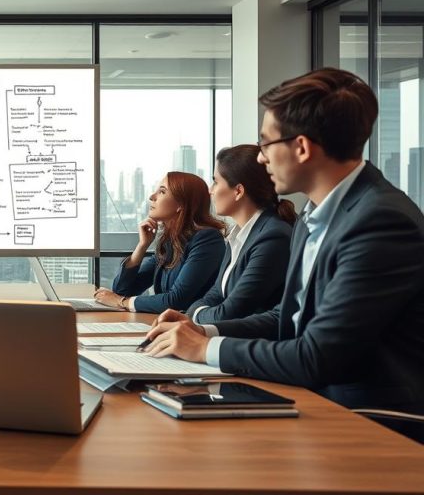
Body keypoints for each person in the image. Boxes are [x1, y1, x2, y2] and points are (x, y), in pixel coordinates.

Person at [143, 68, 424, 438]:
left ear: (302, 148)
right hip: (314, 401)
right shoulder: (314, 216)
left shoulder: (380, 221)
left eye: (265, 145)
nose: (261, 159)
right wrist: (202, 329)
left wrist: (207, 349)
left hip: (368, 421)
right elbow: (286, 319)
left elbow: (315, 356)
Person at [185, 145, 297, 324]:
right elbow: (216, 293)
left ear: (238, 191)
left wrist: (194, 315)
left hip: (256, 346)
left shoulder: (273, 237)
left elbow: (230, 314)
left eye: (216, 181)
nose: (210, 190)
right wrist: (195, 312)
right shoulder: (238, 235)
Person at [94, 171, 226, 314]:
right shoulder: (170, 243)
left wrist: (122, 302)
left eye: (162, 192)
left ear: (180, 204)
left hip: (191, 328)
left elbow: (176, 300)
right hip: (166, 324)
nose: (152, 197)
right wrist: (142, 246)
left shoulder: (207, 240)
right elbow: (122, 290)